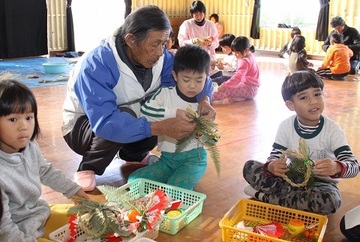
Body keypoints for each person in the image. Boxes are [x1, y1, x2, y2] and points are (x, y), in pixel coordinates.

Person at [62, 5, 215, 192]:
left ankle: (134, 153)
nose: (160, 52)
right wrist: (158, 127)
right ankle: (89, 166)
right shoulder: (96, 64)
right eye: (155, 44)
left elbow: (195, 75)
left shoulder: (162, 59)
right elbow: (105, 122)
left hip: (130, 118)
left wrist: (204, 100)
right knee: (129, 115)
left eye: (164, 43)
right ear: (131, 40)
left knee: (157, 106)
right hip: (83, 127)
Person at [243, 71, 359, 215]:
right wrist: (272, 166)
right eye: (304, 97)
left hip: (319, 184)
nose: (313, 101)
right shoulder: (286, 126)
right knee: (249, 167)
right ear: (290, 105)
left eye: (317, 94)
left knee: (330, 201)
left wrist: (337, 167)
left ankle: (265, 197)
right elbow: (274, 156)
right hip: (289, 179)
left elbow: (354, 166)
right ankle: (292, 200)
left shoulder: (333, 130)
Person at [0, 79, 89, 241]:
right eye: (13, 119)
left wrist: (74, 191)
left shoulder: (30, 146)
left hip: (37, 214)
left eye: (28, 117)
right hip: (17, 233)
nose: (23, 126)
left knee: (89, 221)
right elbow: (5, 230)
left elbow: (46, 171)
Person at [128, 45, 211, 190]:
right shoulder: (165, 94)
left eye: (199, 80)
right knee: (134, 181)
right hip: (167, 160)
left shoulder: (202, 103)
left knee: (175, 189)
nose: (192, 86)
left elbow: (211, 136)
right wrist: (174, 113)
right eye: (186, 79)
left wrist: (208, 129)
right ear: (174, 75)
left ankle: (178, 183)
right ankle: (170, 179)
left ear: (206, 77)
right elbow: (145, 111)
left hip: (194, 160)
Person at [211, 36, 260, 104]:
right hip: (252, 88)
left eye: (237, 53)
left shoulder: (244, 61)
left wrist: (224, 86)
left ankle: (207, 98)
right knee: (229, 87)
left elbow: (237, 77)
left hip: (249, 88)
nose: (235, 55)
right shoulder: (249, 55)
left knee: (227, 90)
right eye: (234, 52)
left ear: (246, 50)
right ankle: (237, 97)